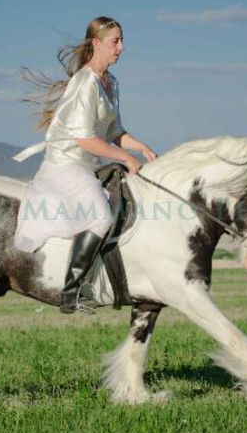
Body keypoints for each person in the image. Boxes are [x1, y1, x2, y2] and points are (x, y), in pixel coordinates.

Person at [13, 16, 156, 314]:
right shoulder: (85, 82)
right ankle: (71, 292)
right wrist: (125, 158)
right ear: (96, 42)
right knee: (100, 217)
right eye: (115, 41)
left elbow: (114, 132)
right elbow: (84, 139)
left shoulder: (111, 82)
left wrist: (139, 147)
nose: (122, 47)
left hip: (86, 165)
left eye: (122, 40)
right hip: (65, 164)